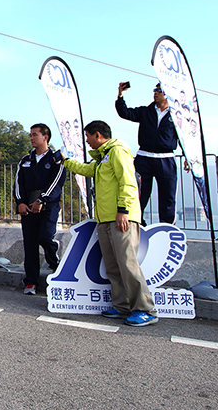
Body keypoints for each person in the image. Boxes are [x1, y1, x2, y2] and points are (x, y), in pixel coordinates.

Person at [59, 121, 158, 327]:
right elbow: (87, 169)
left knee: (128, 264)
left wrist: (123, 210)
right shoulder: (103, 157)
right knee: (113, 266)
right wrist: (66, 161)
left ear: (97, 135)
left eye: (88, 137)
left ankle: (145, 309)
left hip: (121, 218)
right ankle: (122, 305)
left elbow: (128, 182)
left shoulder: (117, 151)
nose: (87, 141)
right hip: (105, 219)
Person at [116, 82, 178, 224]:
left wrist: (188, 158)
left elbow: (185, 136)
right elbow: (125, 113)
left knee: (167, 196)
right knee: (139, 194)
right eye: (154, 90)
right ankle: (137, 223)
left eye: (159, 90)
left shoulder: (176, 115)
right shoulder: (145, 111)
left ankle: (167, 227)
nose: (155, 93)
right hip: (144, 158)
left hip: (166, 159)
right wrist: (120, 96)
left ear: (167, 94)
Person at [14, 123, 64, 295]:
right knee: (30, 244)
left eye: (35, 135)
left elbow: (56, 182)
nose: (32, 138)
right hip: (28, 206)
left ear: (45, 137)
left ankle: (55, 264)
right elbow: (18, 183)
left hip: (48, 206)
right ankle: (30, 281)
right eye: (31, 135)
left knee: (45, 237)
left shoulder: (56, 158)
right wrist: (20, 202)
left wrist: (42, 199)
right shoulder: (25, 160)